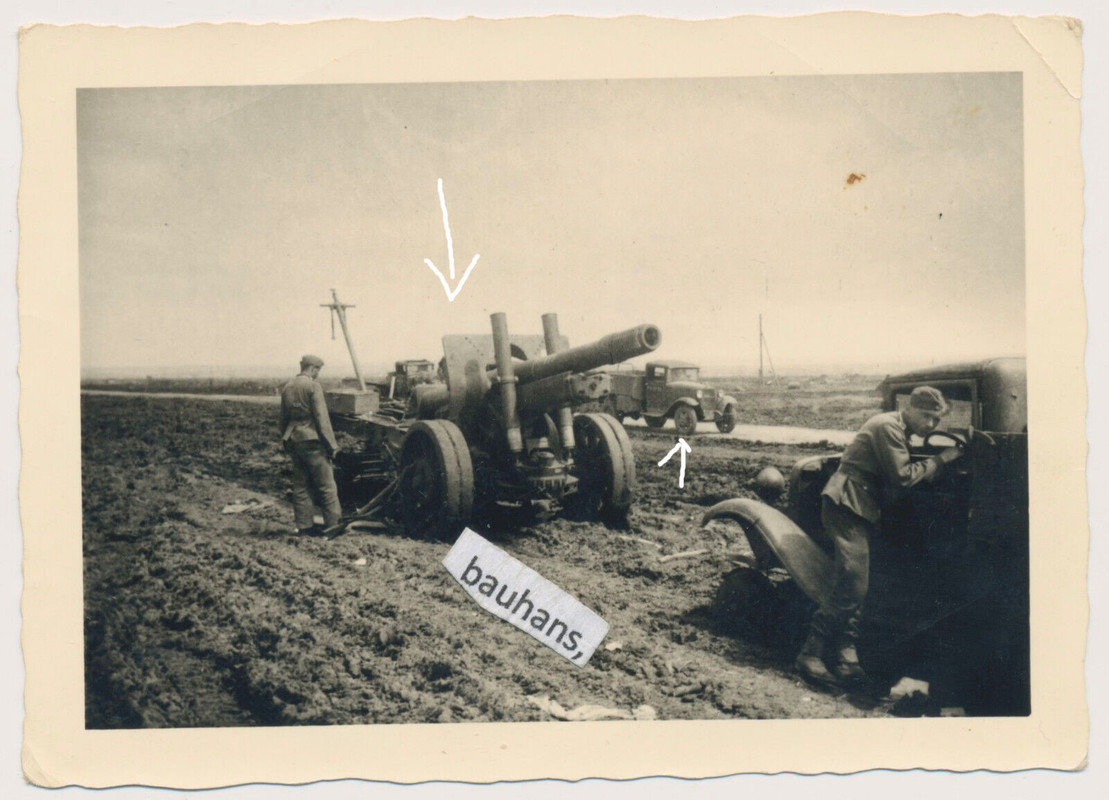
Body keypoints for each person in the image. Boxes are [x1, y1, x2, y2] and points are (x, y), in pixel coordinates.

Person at [795, 385, 963, 689]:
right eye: (926, 416)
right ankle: (811, 652)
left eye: (936, 420)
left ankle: (847, 657)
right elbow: (902, 477)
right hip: (847, 505)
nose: (930, 425)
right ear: (910, 408)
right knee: (853, 582)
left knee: (859, 582)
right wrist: (943, 459)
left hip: (862, 507)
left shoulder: (898, 428)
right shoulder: (887, 426)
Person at [280, 354, 342, 535]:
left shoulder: (287, 386)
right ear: (313, 369)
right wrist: (332, 446)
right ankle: (333, 526)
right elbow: (322, 420)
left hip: (295, 441)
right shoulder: (313, 386)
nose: (318, 374)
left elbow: (283, 419)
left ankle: (304, 527)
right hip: (313, 442)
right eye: (317, 371)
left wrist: (286, 440)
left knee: (301, 486)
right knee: (326, 486)